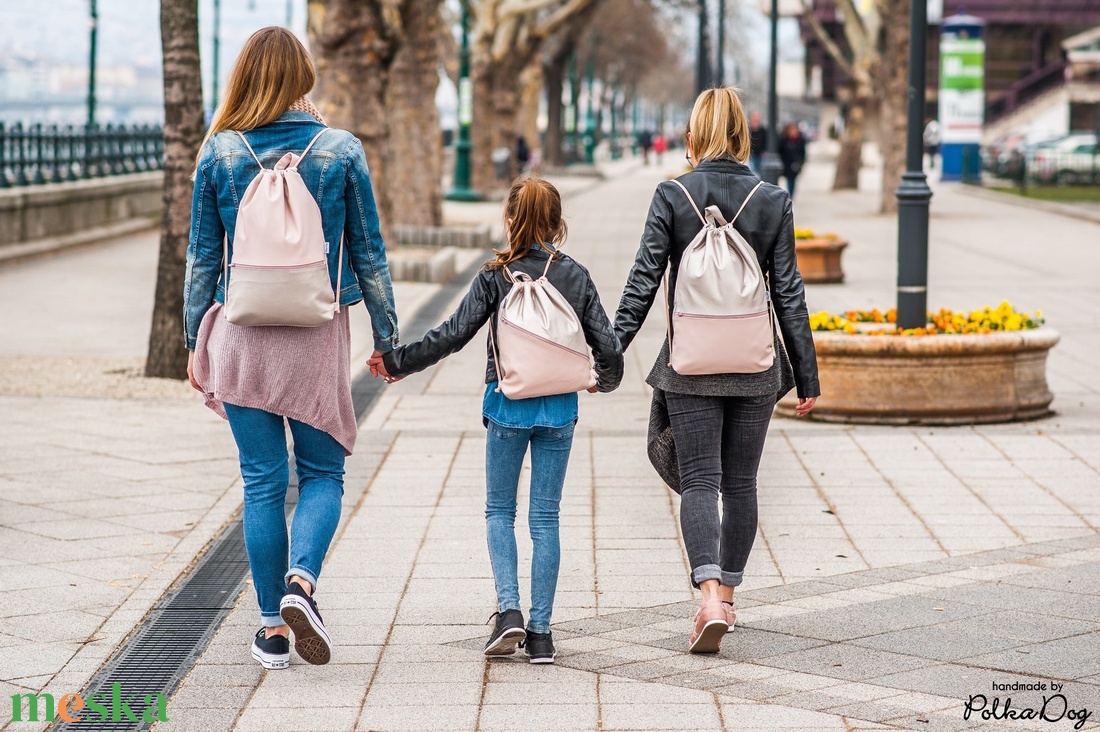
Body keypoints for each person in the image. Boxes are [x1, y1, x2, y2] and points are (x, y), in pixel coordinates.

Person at [184, 27, 400, 670]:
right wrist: (388, 339)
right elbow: (370, 256)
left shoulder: (220, 152)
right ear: (303, 76)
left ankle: (274, 631)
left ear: (245, 77)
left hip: (242, 339)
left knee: (261, 482)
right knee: (324, 474)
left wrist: (196, 342)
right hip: (313, 335)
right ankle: (301, 583)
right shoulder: (339, 150)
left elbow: (200, 261)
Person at [371, 178, 623, 664]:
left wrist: (398, 363)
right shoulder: (575, 275)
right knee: (545, 517)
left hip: (506, 404)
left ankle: (509, 612)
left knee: (499, 512)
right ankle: (543, 634)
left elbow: (453, 334)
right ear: (556, 223)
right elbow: (607, 346)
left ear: (510, 218)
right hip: (558, 409)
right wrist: (602, 381)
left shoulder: (495, 275)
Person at [613, 87, 819, 654]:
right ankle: (727, 597)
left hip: (691, 364)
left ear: (695, 131)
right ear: (742, 133)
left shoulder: (672, 194)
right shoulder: (772, 198)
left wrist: (608, 351)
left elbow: (643, 280)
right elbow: (790, 296)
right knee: (743, 482)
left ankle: (706, 596)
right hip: (756, 365)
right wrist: (807, 373)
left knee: (700, 480)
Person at [778, 122, 806, 197]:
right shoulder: (783, 140)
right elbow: (780, 151)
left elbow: (803, 153)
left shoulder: (800, 140)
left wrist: (800, 162)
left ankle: (791, 195)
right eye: (792, 130)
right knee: (788, 180)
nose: (794, 132)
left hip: (795, 164)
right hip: (786, 163)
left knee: (792, 180)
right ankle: (789, 195)